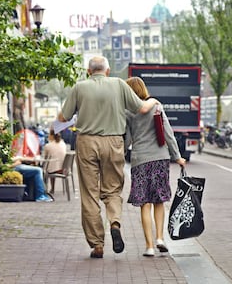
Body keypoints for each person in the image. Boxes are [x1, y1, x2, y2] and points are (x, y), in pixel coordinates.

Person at [57, 56, 159, 258]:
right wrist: (154, 100)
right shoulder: (119, 84)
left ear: (88, 71)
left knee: (89, 193)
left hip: (87, 142)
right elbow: (142, 108)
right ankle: (115, 222)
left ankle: (97, 244)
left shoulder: (79, 87)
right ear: (108, 70)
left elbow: (63, 118)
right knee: (112, 189)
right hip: (113, 141)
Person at [124, 77, 186, 257]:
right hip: (160, 159)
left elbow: (127, 140)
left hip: (140, 160)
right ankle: (160, 238)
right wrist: (177, 157)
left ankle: (149, 246)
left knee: (145, 203)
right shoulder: (157, 107)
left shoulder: (128, 113)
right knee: (159, 201)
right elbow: (168, 134)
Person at [43, 129, 67, 194]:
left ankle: (44, 189)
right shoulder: (63, 144)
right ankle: (51, 188)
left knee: (43, 170)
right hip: (64, 169)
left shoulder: (48, 146)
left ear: (51, 136)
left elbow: (45, 158)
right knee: (53, 165)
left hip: (53, 170)